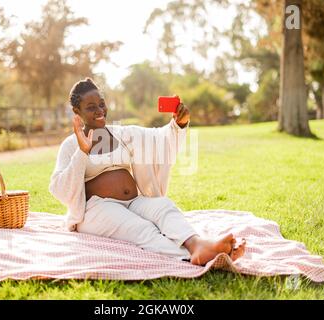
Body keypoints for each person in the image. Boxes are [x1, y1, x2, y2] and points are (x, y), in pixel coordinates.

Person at [49, 78, 246, 265]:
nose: (100, 110)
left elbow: (157, 139)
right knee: (142, 229)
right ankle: (197, 255)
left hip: (134, 201)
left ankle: (198, 244)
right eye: (91, 107)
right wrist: (82, 152)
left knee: (164, 207)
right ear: (77, 111)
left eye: (102, 104)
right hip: (97, 210)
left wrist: (179, 124)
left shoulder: (121, 133)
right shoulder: (70, 145)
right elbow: (60, 186)